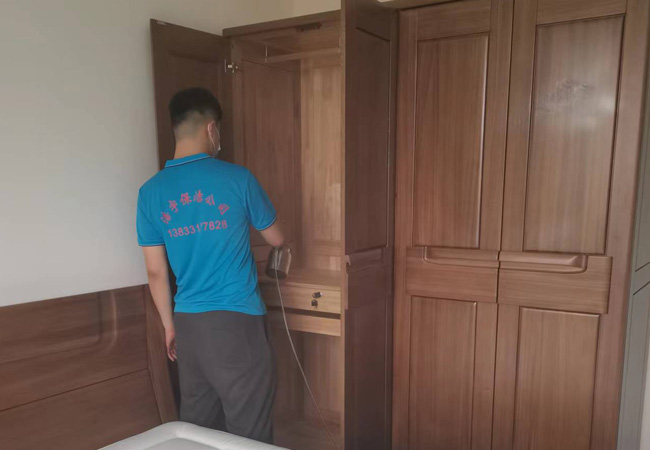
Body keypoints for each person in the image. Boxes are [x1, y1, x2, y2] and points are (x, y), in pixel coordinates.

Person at [136, 87, 283, 444]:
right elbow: (277, 237)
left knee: (198, 430)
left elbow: (156, 272)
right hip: (236, 322)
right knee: (249, 430)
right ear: (212, 128)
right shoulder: (237, 178)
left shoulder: (150, 192)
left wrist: (169, 326)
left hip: (187, 324)